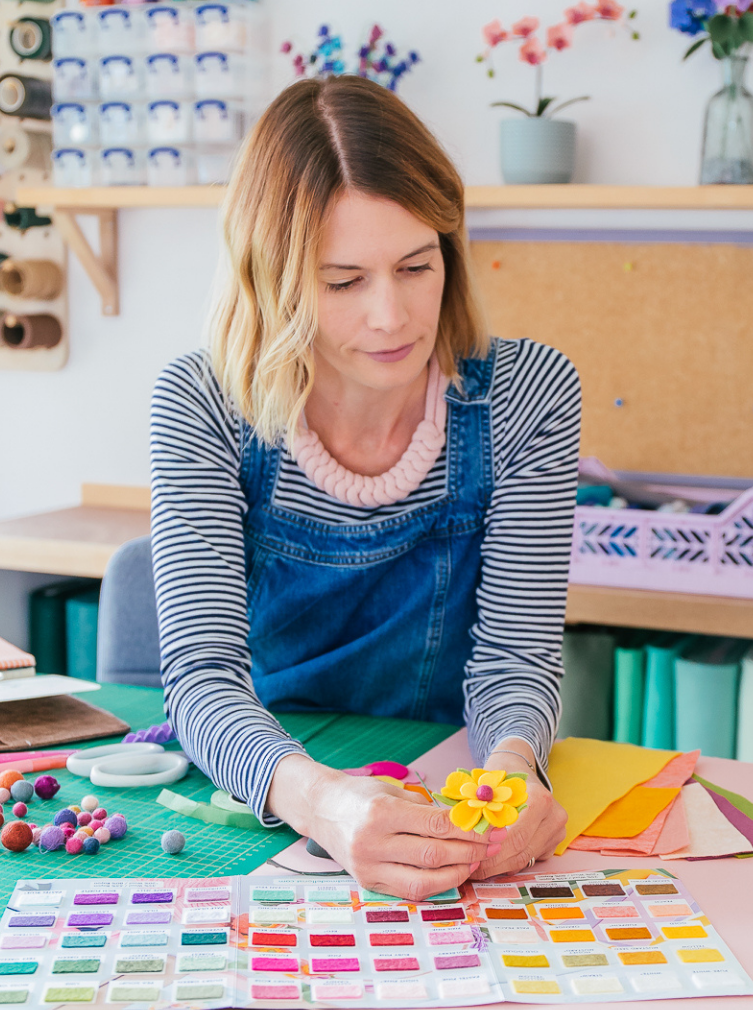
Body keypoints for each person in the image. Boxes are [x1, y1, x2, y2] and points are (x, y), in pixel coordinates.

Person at [150, 75, 581, 900]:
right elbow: (202, 677)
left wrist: (518, 766)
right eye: (343, 281)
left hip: (446, 784)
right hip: (267, 780)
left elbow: (515, 658)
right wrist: (319, 799)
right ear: (270, 278)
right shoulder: (202, 402)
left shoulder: (530, 395)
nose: (392, 316)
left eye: (416, 266)